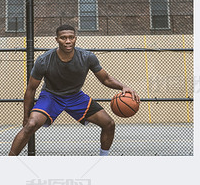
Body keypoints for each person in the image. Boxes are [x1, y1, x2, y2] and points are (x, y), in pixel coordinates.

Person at [9, 24, 140, 156]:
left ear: (75, 38)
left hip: (76, 97)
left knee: (109, 124)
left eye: (71, 37)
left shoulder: (87, 57)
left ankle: (103, 160)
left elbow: (105, 79)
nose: (67, 41)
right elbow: (31, 90)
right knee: (30, 125)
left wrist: (123, 86)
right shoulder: (44, 60)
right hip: (51, 96)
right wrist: (26, 116)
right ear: (56, 39)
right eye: (63, 38)